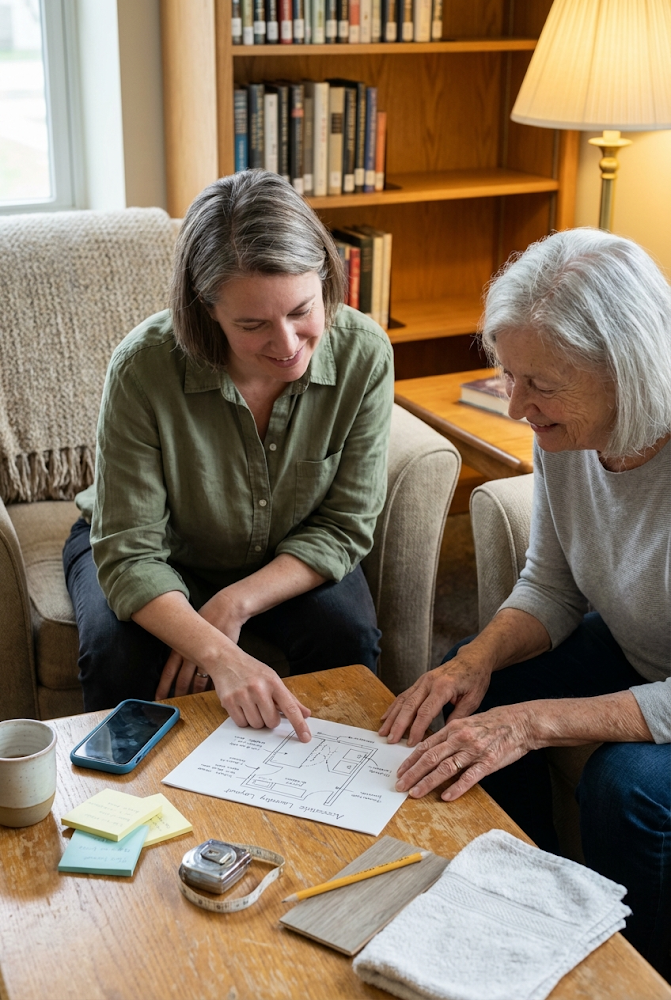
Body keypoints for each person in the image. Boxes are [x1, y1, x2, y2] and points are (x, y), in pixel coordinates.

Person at [379, 228, 671, 977]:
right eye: (507, 374)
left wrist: (537, 723)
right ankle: (518, 912)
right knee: (465, 694)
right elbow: (551, 583)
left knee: (624, 789)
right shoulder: (569, 432)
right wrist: (471, 662)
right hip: (641, 650)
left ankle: (631, 977)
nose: (515, 405)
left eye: (538, 382)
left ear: (627, 369)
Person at [63, 170, 394, 742]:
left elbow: (345, 524)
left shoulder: (365, 355)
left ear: (326, 281)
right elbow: (129, 551)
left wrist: (232, 604)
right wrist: (220, 655)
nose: (288, 345)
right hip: (157, 548)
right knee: (115, 651)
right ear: (206, 310)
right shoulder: (143, 367)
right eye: (252, 324)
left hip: (286, 559)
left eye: (301, 310)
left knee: (349, 636)